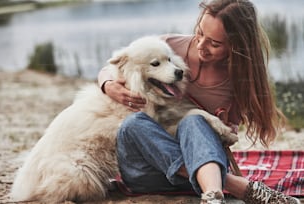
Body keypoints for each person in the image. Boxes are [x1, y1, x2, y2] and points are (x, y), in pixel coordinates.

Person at [98, 0, 301, 203]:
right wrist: (108, 84)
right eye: (200, 33)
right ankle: (237, 186)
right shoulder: (167, 47)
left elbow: (228, 132)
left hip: (203, 168)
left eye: (215, 43)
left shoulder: (238, 78)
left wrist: (221, 127)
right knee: (133, 124)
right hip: (147, 173)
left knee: (194, 121)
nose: (202, 45)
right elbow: (114, 65)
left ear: (236, 45)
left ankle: (212, 197)